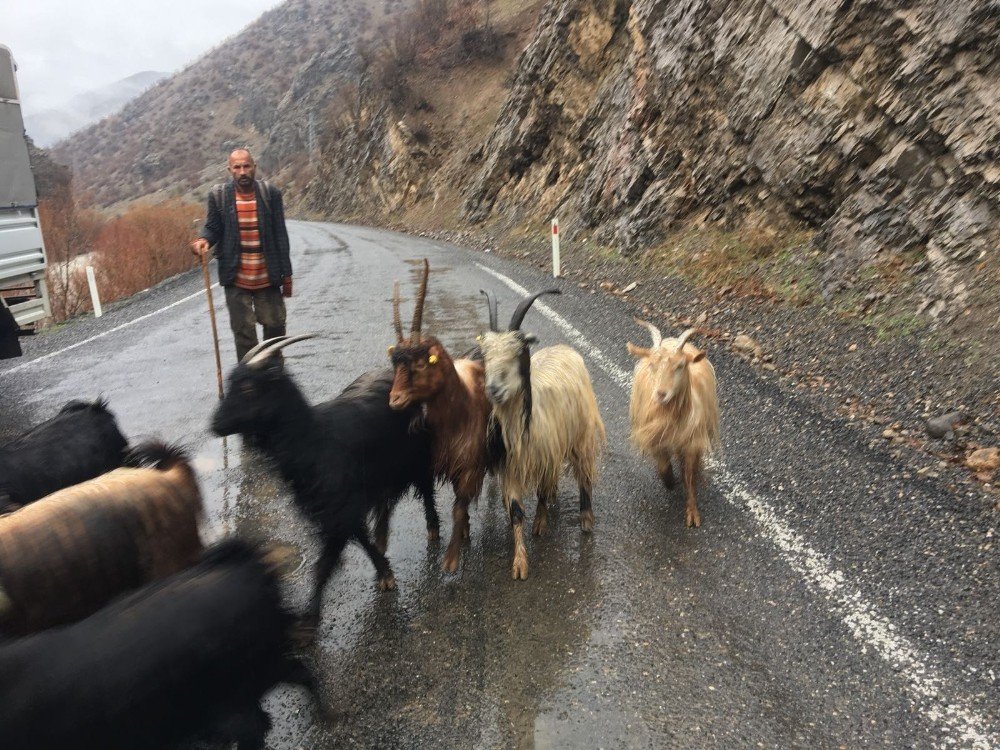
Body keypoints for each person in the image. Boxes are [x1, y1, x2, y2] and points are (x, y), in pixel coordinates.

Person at [191, 148, 293, 362]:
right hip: (236, 278)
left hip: (268, 276)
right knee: (244, 333)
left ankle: (275, 377)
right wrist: (204, 241)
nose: (242, 171)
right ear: (230, 170)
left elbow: (280, 235)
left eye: (246, 166)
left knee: (275, 328)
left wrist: (287, 275)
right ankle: (249, 383)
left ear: (254, 167)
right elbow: (213, 227)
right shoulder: (219, 196)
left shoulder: (270, 194)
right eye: (237, 167)